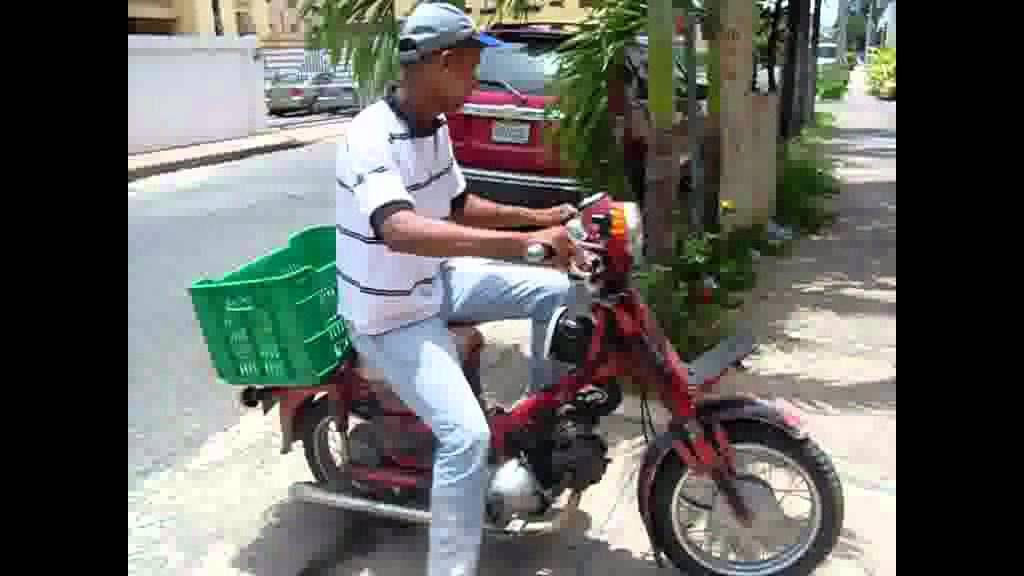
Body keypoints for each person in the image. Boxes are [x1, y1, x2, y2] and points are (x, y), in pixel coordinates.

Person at [334, 3, 577, 575]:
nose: (476, 79)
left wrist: (538, 218)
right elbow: (399, 228)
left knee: (557, 293)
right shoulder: (370, 136)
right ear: (441, 63)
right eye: (471, 65)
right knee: (466, 437)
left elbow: (458, 203)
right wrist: (526, 245)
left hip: (433, 283)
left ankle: (537, 430)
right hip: (389, 314)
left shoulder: (435, 127)